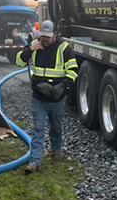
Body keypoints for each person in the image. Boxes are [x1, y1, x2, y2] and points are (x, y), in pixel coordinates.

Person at [16, 20, 78, 173]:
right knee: (38, 128)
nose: (44, 39)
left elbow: (73, 70)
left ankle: (56, 149)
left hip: (57, 98)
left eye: (48, 36)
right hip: (39, 97)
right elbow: (18, 61)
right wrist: (30, 49)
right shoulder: (35, 46)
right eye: (42, 36)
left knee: (56, 126)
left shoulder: (64, 48)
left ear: (55, 35)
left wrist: (63, 85)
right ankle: (35, 162)